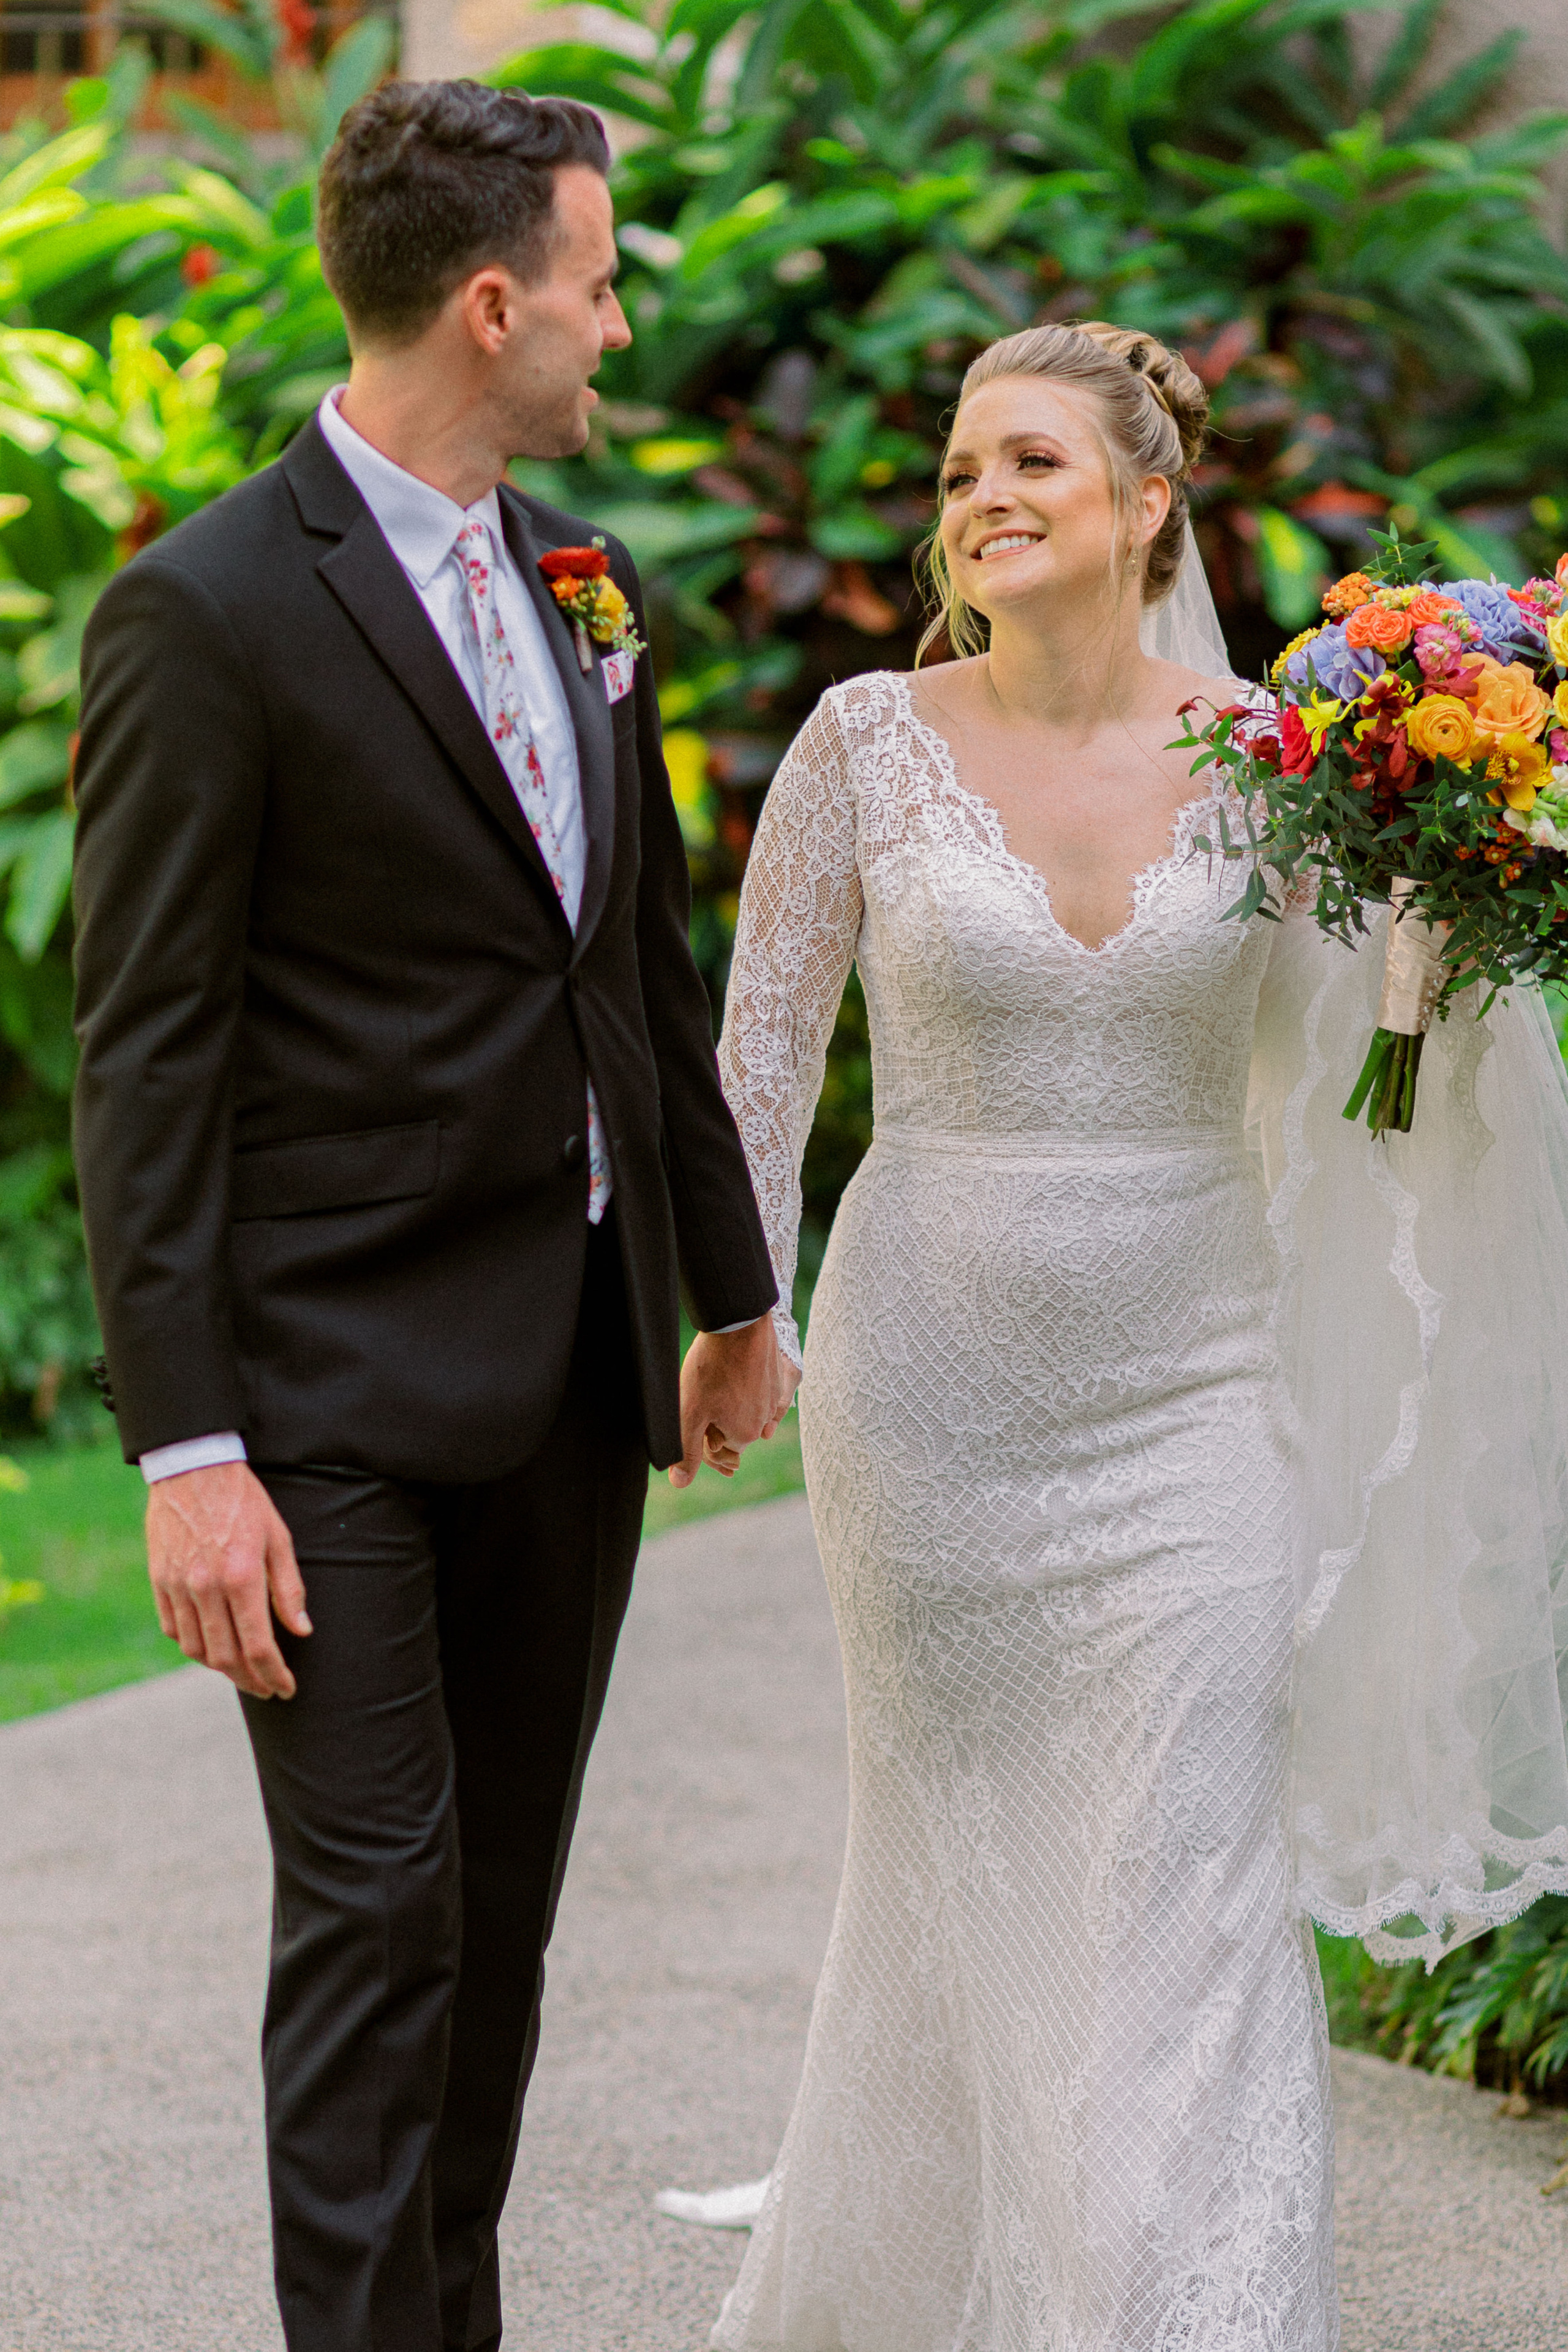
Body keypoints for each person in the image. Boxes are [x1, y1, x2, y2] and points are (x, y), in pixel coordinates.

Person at [678, 320, 1568, 2349]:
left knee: (1189, 1883)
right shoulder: (860, 744)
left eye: (1033, 463)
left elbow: (1364, 1097)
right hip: (929, 1405)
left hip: (1194, 1400)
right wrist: (746, 1311)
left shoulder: (1284, 764)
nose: (983, 497)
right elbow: (756, 1066)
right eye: (962, 469)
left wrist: (1435, 955)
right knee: (955, 1878)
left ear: (1149, 505)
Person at [70, 80, 791, 2352]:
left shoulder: (590, 581)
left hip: (568, 1372)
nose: (615, 327)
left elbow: (637, 966)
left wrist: (729, 1293)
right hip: (326, 1399)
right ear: (492, 305)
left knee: (495, 1919)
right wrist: (191, 1453)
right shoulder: (201, 611)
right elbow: (147, 1054)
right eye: (597, 283)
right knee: (378, 1917)